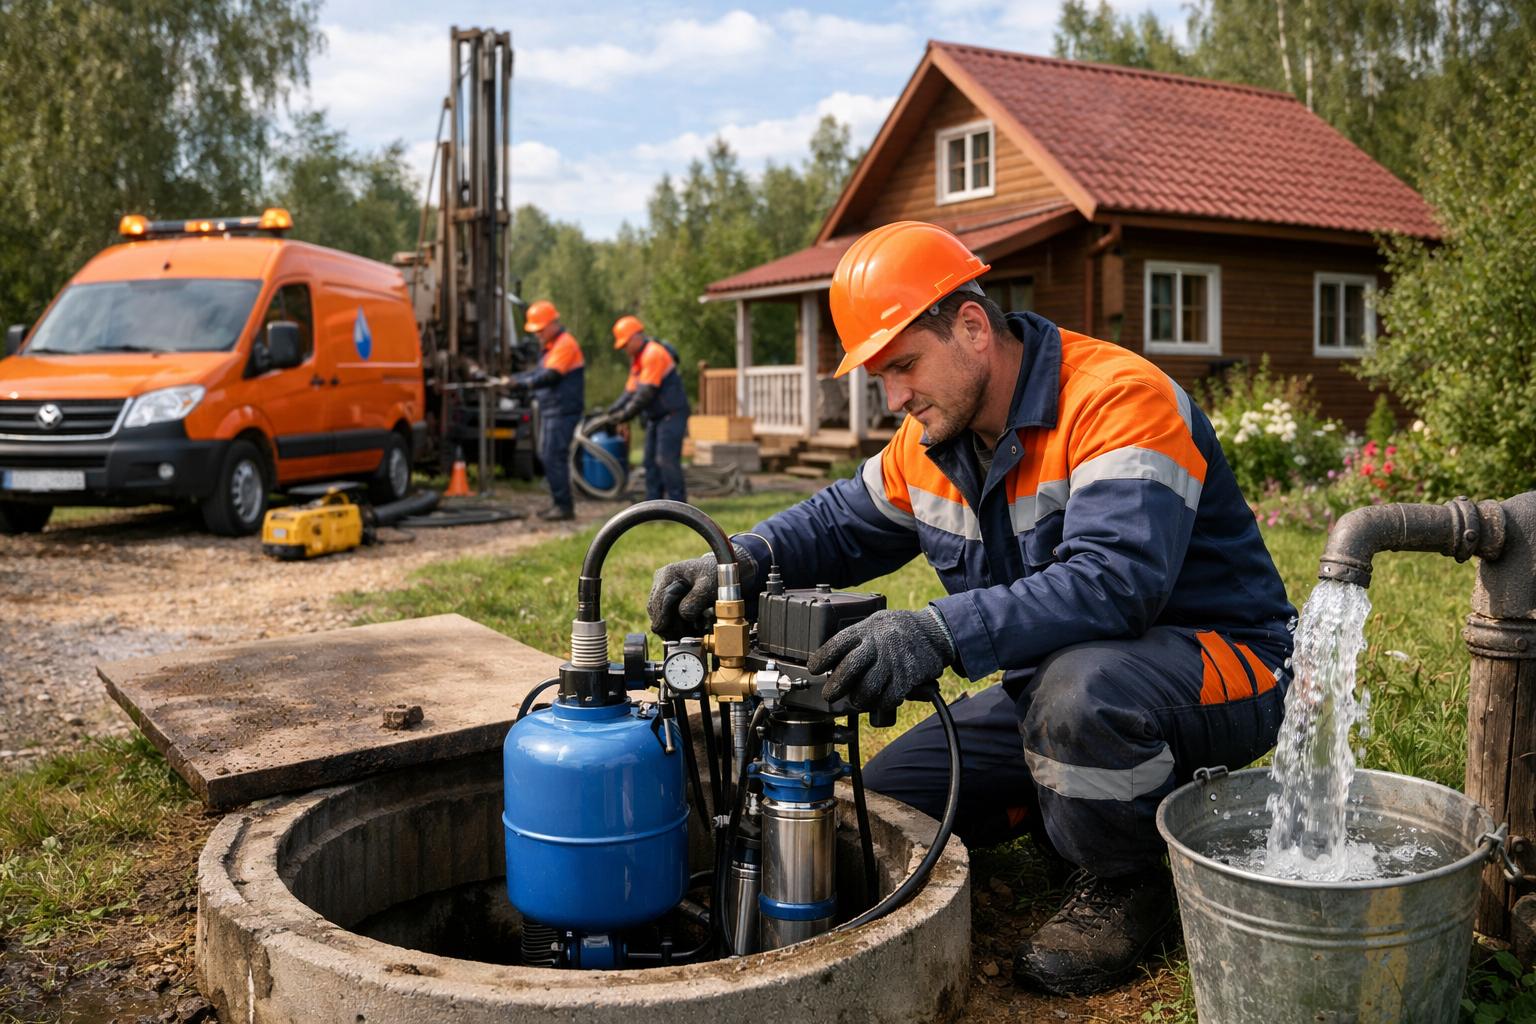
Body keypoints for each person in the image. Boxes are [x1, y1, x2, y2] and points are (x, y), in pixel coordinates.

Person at [646, 221, 1295, 996]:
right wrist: (738, 559)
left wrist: (938, 630)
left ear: (973, 328)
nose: (895, 397)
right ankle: (1068, 807)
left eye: (905, 366)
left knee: (1081, 694)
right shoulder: (931, 442)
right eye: (880, 376)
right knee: (884, 807)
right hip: (1053, 684)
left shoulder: (1119, 399)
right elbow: (834, 524)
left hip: (1225, 663)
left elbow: (1114, 585)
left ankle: (1125, 880)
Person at [590, 315, 690, 503]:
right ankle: (653, 504)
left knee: (665, 460)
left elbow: (645, 394)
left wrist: (623, 416)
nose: (625, 349)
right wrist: (610, 412)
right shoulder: (638, 360)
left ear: (636, 337)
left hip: (672, 414)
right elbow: (629, 393)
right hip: (657, 417)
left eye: (626, 344)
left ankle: (679, 505)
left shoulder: (653, 353)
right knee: (650, 462)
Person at [514, 299, 584, 521]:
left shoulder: (565, 344)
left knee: (553, 456)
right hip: (552, 410)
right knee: (548, 455)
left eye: (540, 329)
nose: (537, 334)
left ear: (553, 323)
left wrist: (522, 384)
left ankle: (564, 507)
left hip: (562, 410)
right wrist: (516, 379)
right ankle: (558, 503)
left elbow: (549, 376)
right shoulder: (551, 347)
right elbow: (537, 374)